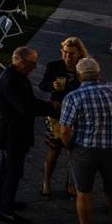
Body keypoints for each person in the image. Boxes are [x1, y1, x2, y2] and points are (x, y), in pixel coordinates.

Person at [59, 57, 112, 224]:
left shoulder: (73, 97)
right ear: (99, 72)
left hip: (85, 150)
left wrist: (69, 145)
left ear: (79, 75)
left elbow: (64, 130)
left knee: (84, 192)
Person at [0, 46, 59, 224]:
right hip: (12, 133)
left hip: (13, 131)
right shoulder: (11, 81)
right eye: (33, 63)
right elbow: (26, 106)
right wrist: (51, 108)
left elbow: (28, 102)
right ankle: (6, 210)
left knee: (9, 169)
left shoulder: (15, 75)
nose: (35, 67)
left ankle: (5, 201)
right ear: (22, 62)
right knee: (12, 171)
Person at [38, 37, 87, 198]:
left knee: (73, 151)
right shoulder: (54, 66)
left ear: (79, 53)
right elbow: (42, 85)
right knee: (54, 149)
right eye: (65, 53)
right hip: (56, 115)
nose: (68, 57)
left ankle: (71, 183)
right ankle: (46, 182)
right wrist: (52, 85)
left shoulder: (84, 68)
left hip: (78, 116)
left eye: (72, 53)